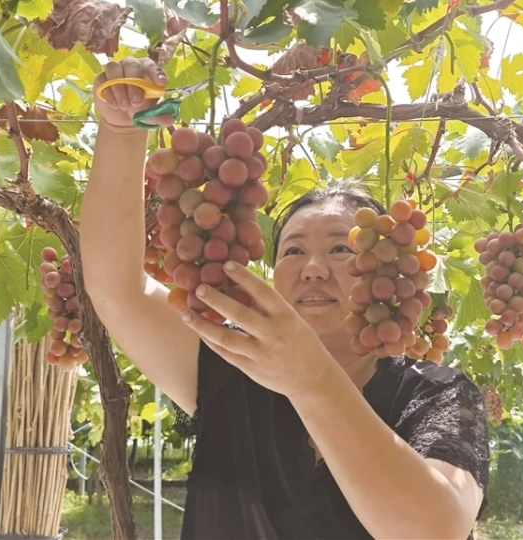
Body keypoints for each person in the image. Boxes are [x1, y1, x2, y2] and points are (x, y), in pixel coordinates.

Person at [81, 57, 490, 540]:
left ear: (385, 266)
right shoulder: (230, 367)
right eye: (293, 249)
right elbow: (117, 291)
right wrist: (122, 133)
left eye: (340, 247)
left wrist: (312, 379)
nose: (312, 267)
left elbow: (433, 529)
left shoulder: (436, 394)